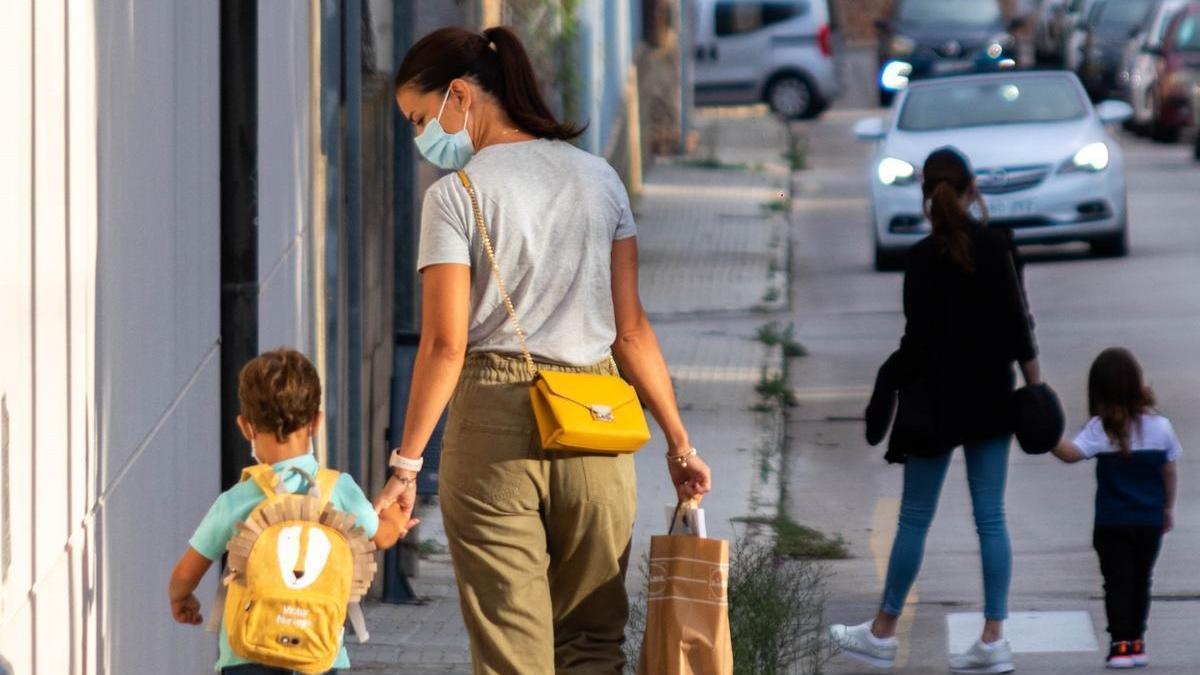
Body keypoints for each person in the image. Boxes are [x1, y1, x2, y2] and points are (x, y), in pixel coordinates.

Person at [375, 25, 712, 674]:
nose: (422, 138)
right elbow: (631, 329)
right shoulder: (599, 179)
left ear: (459, 95)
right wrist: (679, 443)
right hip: (598, 423)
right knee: (592, 643)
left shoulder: (453, 197)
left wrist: (406, 466)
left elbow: (445, 345)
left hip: (495, 429)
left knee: (513, 654)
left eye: (421, 119)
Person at [830, 147, 1041, 673]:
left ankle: (882, 632)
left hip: (935, 407)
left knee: (914, 520)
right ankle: (994, 638)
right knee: (991, 518)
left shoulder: (921, 259)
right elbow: (1020, 326)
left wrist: (887, 380)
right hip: (992, 401)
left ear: (926, 194)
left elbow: (916, 346)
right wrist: (1036, 394)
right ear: (973, 189)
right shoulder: (999, 247)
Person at [167, 348, 412, 674]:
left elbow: (186, 573)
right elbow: (381, 536)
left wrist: (181, 599)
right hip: (318, 655)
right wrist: (397, 517)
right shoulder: (338, 489)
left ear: (245, 428)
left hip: (247, 657)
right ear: (317, 422)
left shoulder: (238, 499)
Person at [1050, 347, 1179, 669]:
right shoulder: (1161, 426)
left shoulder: (1101, 427)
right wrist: (1167, 508)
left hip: (1112, 523)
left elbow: (1069, 453)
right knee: (1141, 580)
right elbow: (1169, 471)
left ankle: (1120, 644)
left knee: (1117, 582)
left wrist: (1043, 429)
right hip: (1149, 521)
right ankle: (1137, 641)